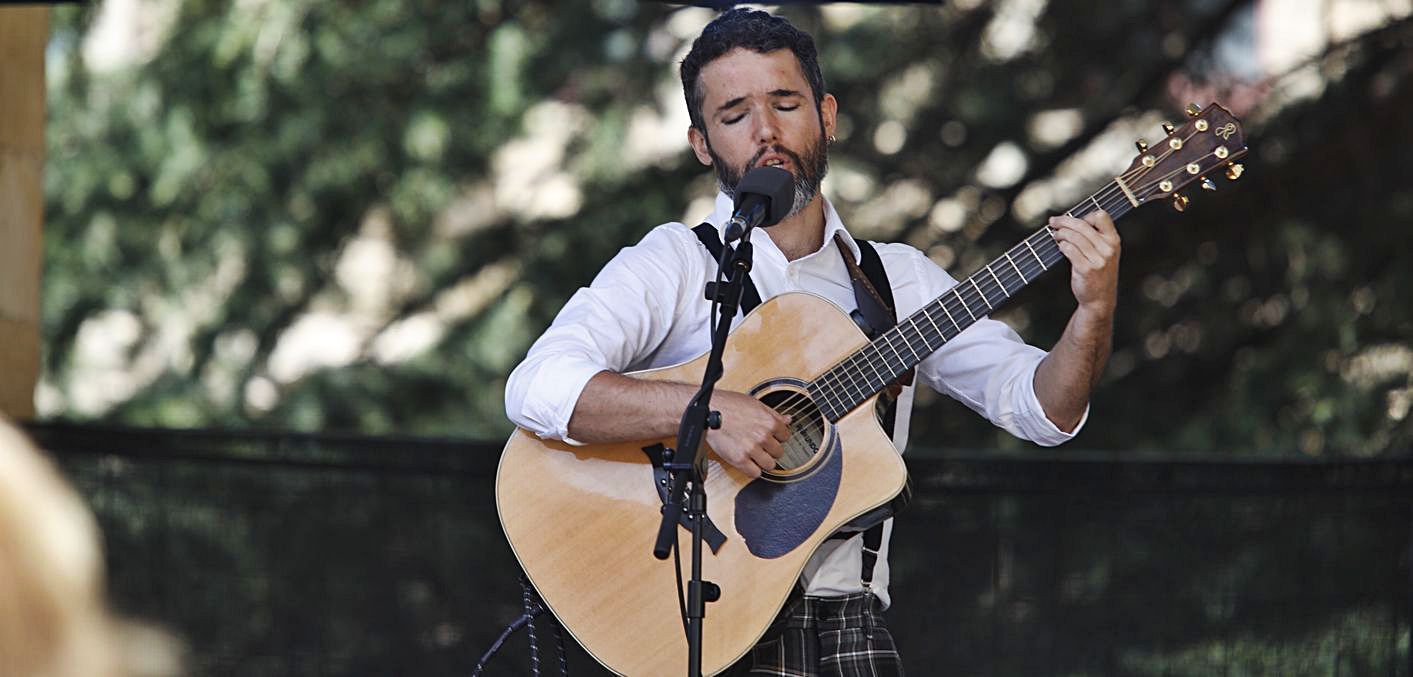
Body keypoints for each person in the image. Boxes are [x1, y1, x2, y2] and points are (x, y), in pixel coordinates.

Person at [504, 8, 1119, 675]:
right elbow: (536, 386)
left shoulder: (895, 280)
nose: (765, 131)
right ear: (702, 143)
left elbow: (1042, 410)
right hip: (702, 617)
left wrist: (1093, 310)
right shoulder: (674, 263)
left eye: (785, 103)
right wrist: (703, 415)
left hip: (849, 624)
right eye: (734, 115)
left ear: (826, 115)